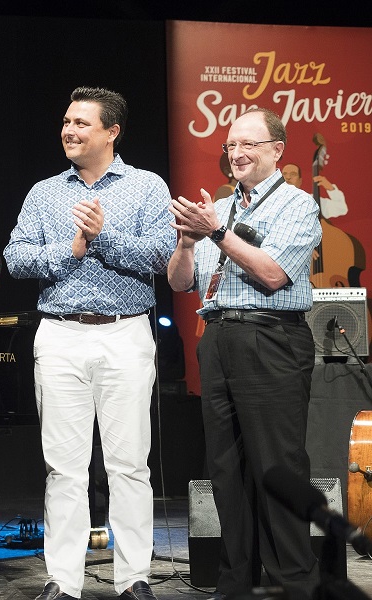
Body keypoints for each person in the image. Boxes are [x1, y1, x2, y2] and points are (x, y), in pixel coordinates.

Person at [3, 86, 175, 600]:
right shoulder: (45, 192)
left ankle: (134, 578)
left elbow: (161, 255)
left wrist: (104, 238)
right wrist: (71, 249)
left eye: (81, 123)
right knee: (64, 468)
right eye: (66, 122)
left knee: (129, 465)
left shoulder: (146, 186)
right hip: (60, 334)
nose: (69, 131)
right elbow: (16, 258)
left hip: (125, 331)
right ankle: (63, 581)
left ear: (111, 132)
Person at [167, 108, 322, 600]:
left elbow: (273, 274)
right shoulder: (218, 207)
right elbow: (182, 283)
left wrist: (216, 233)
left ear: (277, 150)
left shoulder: (297, 204)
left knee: (277, 468)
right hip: (218, 338)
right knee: (226, 471)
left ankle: (295, 585)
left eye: (248, 144)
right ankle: (235, 584)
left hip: (270, 339)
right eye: (231, 145)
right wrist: (186, 243)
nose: (236, 153)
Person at [282, 161, 348, 218]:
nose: (288, 177)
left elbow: (341, 208)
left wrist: (331, 188)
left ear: (300, 181)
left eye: (293, 174)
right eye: (284, 174)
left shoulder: (311, 201)